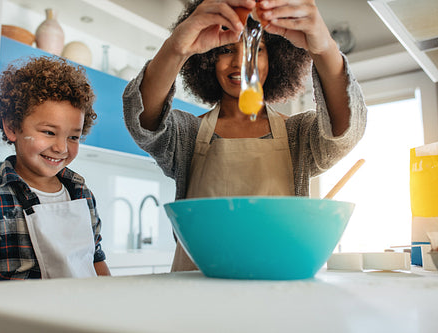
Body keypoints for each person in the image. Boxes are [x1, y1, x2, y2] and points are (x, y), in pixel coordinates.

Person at [123, 0, 367, 271]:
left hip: (275, 287)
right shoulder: (187, 136)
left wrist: (323, 48)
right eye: (226, 49)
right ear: (207, 58)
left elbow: (345, 132)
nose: (241, 61)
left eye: (257, 49)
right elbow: (142, 120)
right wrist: (176, 47)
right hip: (196, 293)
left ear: (275, 59)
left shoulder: (297, 135)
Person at [0, 56, 111, 283]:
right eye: (49, 132)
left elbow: (95, 258)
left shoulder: (82, 195)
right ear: (12, 127)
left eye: (73, 137)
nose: (61, 147)